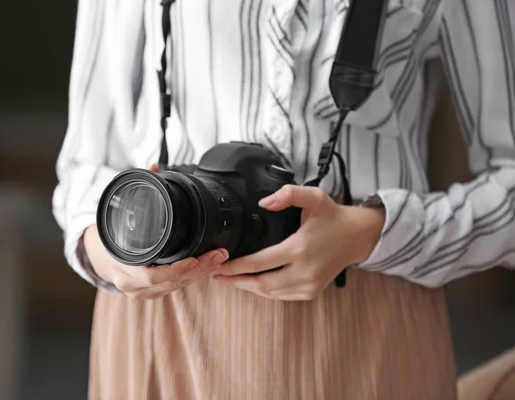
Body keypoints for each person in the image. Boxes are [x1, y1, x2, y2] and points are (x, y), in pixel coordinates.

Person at [52, 0, 515, 398]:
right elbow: (85, 165)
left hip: (366, 320)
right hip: (159, 317)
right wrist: (106, 252)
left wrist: (373, 232)